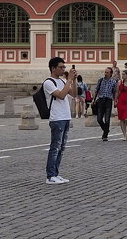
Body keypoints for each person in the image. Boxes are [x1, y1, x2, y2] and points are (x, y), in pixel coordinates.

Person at [43, 56, 76, 184]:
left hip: (65, 116)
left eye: (64, 67)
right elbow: (61, 96)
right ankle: (50, 176)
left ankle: (56, 173)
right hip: (56, 118)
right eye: (61, 67)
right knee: (55, 147)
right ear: (53, 68)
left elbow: (73, 94)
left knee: (61, 147)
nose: (63, 69)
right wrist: (69, 80)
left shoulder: (63, 81)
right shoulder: (48, 82)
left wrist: (73, 81)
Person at [92, 66, 117, 141]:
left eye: (107, 72)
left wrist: (115, 101)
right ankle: (106, 130)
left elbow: (115, 92)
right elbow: (96, 90)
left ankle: (105, 135)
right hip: (100, 100)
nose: (105, 74)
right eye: (105, 72)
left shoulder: (113, 82)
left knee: (107, 119)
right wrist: (94, 99)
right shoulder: (100, 80)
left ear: (111, 74)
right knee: (99, 119)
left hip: (108, 100)